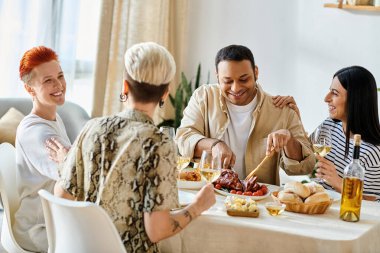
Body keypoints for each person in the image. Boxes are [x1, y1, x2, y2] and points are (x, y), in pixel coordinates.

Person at [54, 42, 215, 253]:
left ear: (125, 87)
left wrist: (65, 163)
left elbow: (61, 195)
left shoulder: (92, 127)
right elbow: (157, 230)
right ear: (165, 94)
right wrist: (197, 206)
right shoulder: (159, 143)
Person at [176, 44, 315, 185]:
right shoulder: (203, 97)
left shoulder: (281, 110)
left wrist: (289, 141)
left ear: (256, 72)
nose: (235, 88)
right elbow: (183, 139)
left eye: (243, 79)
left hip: (258, 202)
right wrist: (214, 145)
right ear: (217, 77)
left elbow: (306, 166)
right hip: (209, 197)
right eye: (228, 81)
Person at [273, 66, 380, 201]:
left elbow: (374, 207)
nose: (326, 98)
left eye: (335, 93)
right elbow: (308, 157)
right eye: (330, 91)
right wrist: (296, 120)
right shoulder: (329, 125)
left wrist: (339, 184)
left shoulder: (373, 152)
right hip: (315, 204)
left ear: (355, 99)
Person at [14, 46, 71, 252]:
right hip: (39, 230)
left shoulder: (55, 119)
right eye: (48, 80)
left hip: (57, 220)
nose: (59, 85)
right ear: (30, 89)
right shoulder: (36, 132)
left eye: (60, 76)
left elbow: (73, 161)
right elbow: (74, 174)